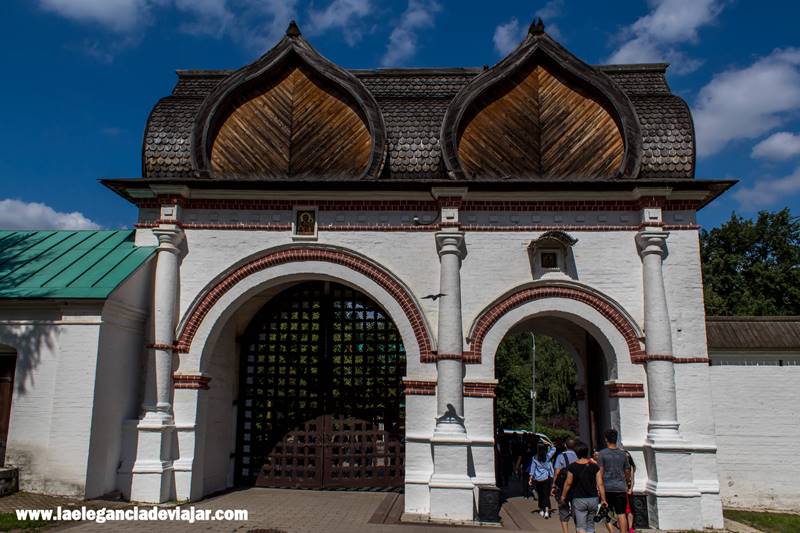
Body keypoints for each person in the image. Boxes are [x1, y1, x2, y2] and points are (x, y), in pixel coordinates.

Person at [560, 441, 607, 533]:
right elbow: (600, 484)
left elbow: (568, 483)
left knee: (581, 527)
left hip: (579, 499)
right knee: (590, 526)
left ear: (576, 453)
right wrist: (603, 499)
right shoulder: (594, 466)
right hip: (593, 499)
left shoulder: (572, 467)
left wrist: (563, 496)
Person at [597, 429, 631, 533]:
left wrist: (600, 490)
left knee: (606, 513)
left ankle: (612, 531)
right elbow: (627, 470)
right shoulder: (623, 454)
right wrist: (627, 481)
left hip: (607, 488)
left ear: (606, 439)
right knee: (621, 514)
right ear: (616, 439)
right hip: (620, 487)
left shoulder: (602, 454)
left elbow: (600, 473)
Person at [552, 438, 578, 533]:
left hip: (563, 486)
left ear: (565, 446)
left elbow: (557, 472)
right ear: (574, 446)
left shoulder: (560, 456)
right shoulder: (578, 456)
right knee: (577, 512)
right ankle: (578, 530)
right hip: (576, 487)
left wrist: (554, 485)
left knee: (563, 510)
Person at [529, 440, 555, 517]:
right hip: (546, 478)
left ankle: (541, 509)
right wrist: (549, 443)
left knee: (540, 495)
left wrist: (530, 478)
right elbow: (554, 449)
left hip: (538, 479)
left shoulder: (534, 458)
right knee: (546, 495)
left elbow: (532, 469)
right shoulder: (547, 456)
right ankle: (547, 511)